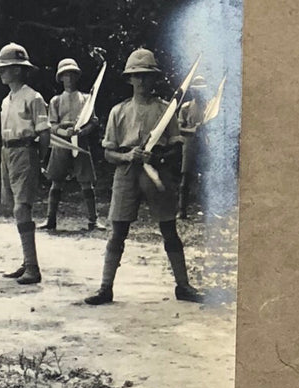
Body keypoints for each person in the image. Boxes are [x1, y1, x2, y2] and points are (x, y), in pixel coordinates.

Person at [85, 48, 203, 306]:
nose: (142, 81)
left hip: (155, 173)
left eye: (147, 76)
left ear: (154, 79)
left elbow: (176, 146)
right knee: (117, 231)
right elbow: (108, 152)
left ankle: (183, 286)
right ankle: (106, 288)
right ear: (130, 79)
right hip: (127, 173)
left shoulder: (165, 110)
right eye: (137, 76)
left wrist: (158, 158)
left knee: (169, 229)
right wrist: (128, 157)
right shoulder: (119, 111)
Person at [0, 42, 51, 286]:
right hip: (7, 152)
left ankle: (33, 267)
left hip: (25, 152)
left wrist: (42, 160)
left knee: (22, 207)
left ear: (18, 70)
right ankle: (27, 261)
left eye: (5, 68)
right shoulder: (7, 100)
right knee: (14, 207)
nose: (0, 73)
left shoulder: (33, 97)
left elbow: (44, 132)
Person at [43, 57, 99, 233]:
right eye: (65, 75)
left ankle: (93, 220)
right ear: (60, 78)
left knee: (86, 182)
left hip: (80, 141)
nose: (69, 78)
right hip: (61, 143)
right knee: (56, 181)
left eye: (72, 74)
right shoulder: (55, 101)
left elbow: (93, 121)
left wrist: (83, 131)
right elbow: (51, 125)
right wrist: (62, 132)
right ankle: (50, 220)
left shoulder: (86, 98)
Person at [176, 74, 209, 220]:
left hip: (205, 145)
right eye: (196, 90)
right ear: (192, 91)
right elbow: (178, 128)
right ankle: (182, 210)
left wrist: (206, 129)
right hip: (189, 145)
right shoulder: (186, 107)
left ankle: (207, 211)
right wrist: (193, 130)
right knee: (186, 178)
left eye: (201, 90)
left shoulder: (210, 107)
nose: (198, 92)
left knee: (206, 178)